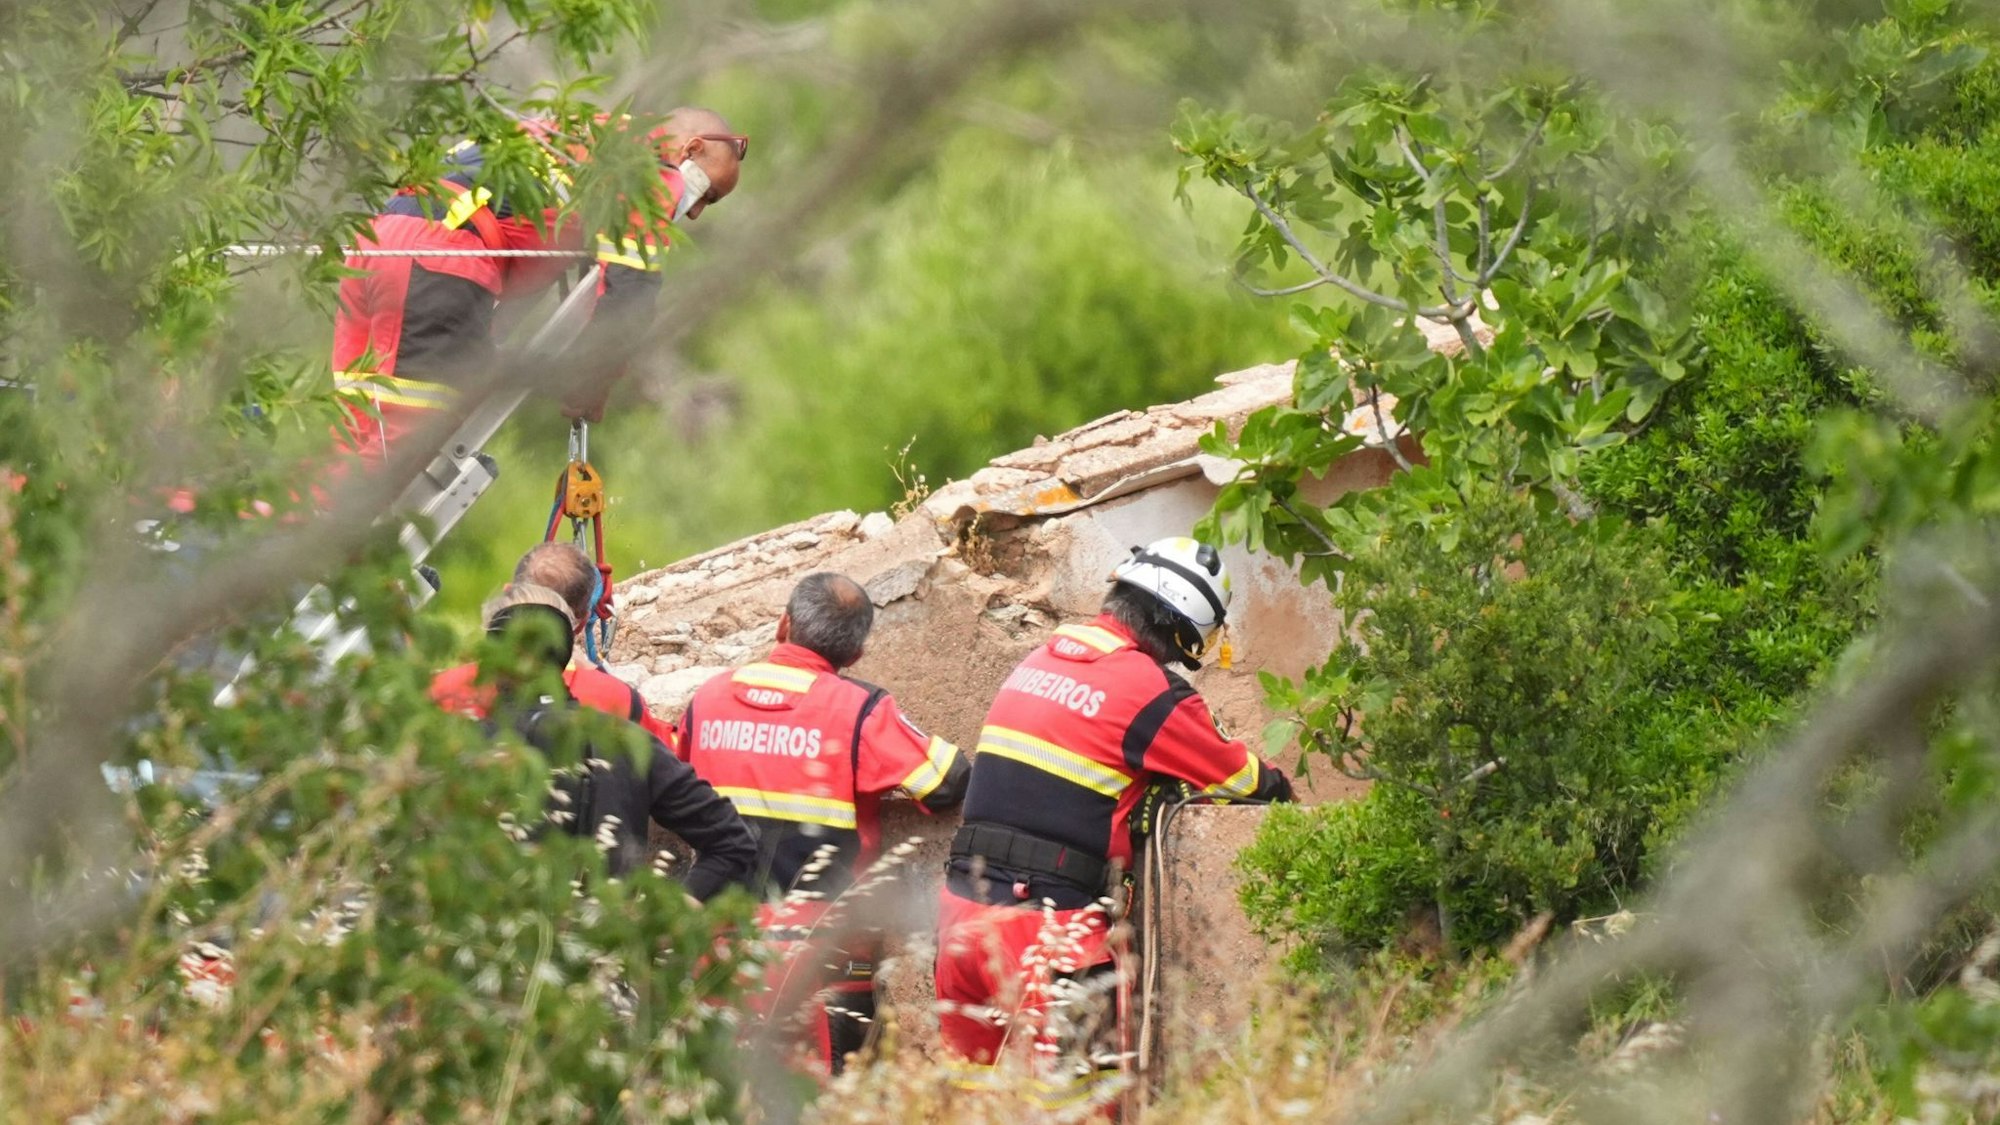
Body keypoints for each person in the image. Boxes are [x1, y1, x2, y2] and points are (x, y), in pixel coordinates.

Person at [934, 536, 1296, 1111]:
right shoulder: (1151, 690)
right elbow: (1247, 782)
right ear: (1182, 627)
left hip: (959, 918)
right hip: (1049, 931)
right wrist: (1279, 788)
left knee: (965, 1105)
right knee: (1083, 1108)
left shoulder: (1040, 659)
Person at [676, 572, 969, 1074]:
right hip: (823, 951)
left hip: (717, 940)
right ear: (855, 654)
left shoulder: (708, 698)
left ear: (783, 624)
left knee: (716, 1094)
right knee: (829, 1096)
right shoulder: (859, 709)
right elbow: (947, 782)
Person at [332, 106, 747, 458]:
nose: (696, 212)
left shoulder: (577, 133)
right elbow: (631, 292)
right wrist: (593, 381)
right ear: (690, 149)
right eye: (708, 193)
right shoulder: (647, 171)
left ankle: (298, 522)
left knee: (352, 442)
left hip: (379, 242)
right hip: (439, 259)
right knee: (400, 453)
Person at [445, 582, 757, 898]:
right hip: (609, 925)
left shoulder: (460, 749)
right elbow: (732, 841)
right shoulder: (626, 740)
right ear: (566, 649)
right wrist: (678, 910)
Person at [430, 542, 677, 747]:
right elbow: (671, 754)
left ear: (507, 596)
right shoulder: (617, 699)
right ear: (581, 622)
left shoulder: (442, 690)